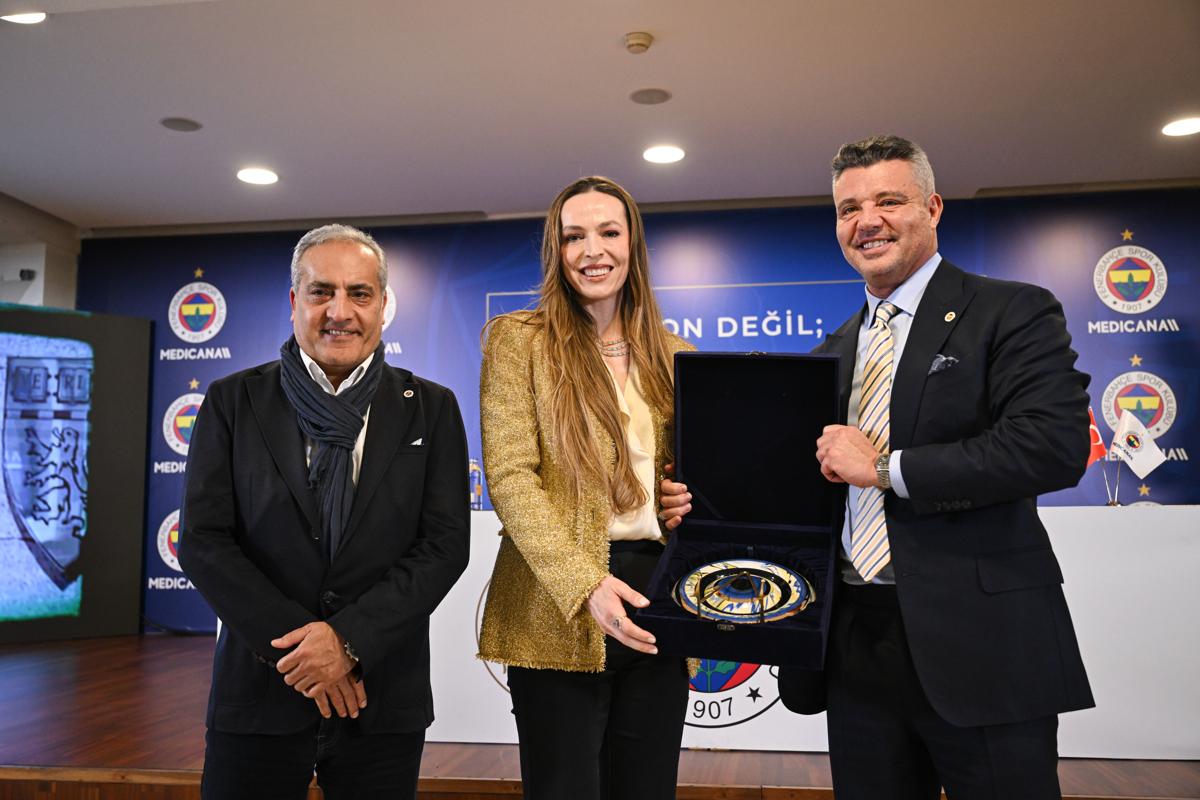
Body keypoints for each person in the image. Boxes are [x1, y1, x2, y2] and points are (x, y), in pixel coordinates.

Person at [776, 136, 1094, 799]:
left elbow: (1052, 445)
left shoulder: (1012, 310)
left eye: (889, 201)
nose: (867, 221)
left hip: (982, 645)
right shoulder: (831, 349)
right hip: (854, 643)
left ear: (933, 207)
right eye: (848, 209)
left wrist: (884, 468)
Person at [178, 223, 470, 800]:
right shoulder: (232, 401)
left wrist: (348, 642)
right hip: (261, 693)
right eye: (321, 292)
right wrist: (307, 651)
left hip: (380, 696)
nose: (340, 311)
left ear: (382, 305)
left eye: (359, 293)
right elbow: (204, 542)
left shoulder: (431, 409)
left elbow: (443, 547)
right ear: (295, 301)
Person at [476, 176, 694, 800]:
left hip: (656, 598)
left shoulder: (675, 354)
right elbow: (510, 477)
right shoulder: (518, 340)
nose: (592, 250)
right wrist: (585, 585)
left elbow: (684, 479)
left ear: (633, 245)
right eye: (574, 236)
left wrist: (683, 500)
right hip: (557, 600)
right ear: (557, 249)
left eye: (608, 232)